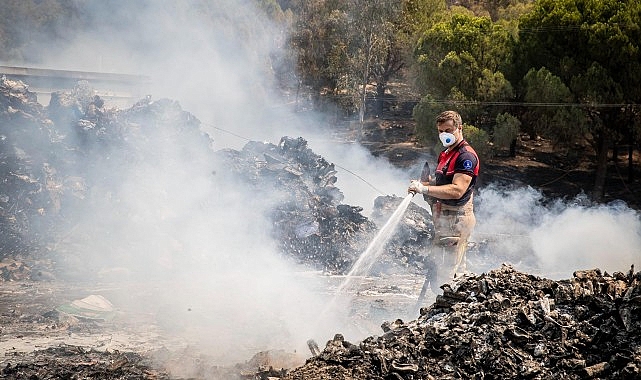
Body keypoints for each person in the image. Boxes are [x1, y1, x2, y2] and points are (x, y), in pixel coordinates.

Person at [408, 110, 480, 289]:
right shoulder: (446, 153)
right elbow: (443, 183)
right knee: (453, 273)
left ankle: (449, 312)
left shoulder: (466, 157)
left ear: (459, 128)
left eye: (448, 130)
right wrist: (426, 183)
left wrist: (424, 188)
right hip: (445, 221)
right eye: (440, 131)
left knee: (445, 277)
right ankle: (456, 310)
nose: (443, 135)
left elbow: (457, 190)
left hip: (456, 222)